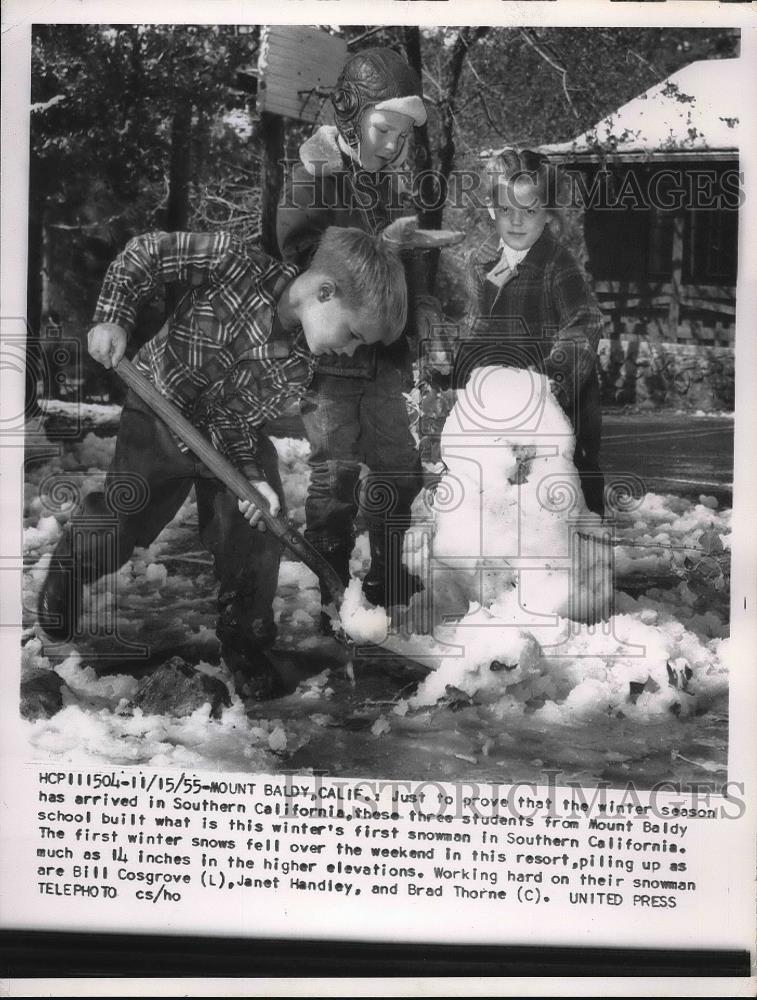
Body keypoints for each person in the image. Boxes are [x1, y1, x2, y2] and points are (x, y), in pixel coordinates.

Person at [37, 226, 408, 699]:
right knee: (124, 519)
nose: (352, 351)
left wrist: (251, 480)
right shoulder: (233, 262)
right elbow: (147, 252)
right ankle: (72, 565)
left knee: (256, 529)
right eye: (354, 334)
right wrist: (113, 318)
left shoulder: (300, 362)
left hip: (227, 432)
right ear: (324, 292)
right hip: (158, 408)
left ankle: (246, 643)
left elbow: (232, 418)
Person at [276, 47, 442, 629]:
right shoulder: (311, 176)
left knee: (398, 464)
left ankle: (389, 572)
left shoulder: (389, 186)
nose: (392, 145)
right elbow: (299, 260)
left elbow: (408, 272)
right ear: (350, 113)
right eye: (383, 129)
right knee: (336, 474)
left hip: (388, 357)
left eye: (400, 135)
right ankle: (330, 584)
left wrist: (419, 305)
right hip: (335, 362)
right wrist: (375, 254)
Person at [457, 148, 605, 516]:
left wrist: (550, 380)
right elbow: (477, 325)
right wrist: (458, 370)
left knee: (569, 477)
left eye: (530, 211)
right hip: (506, 399)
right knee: (503, 482)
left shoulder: (556, 262)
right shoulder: (481, 261)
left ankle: (586, 552)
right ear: (492, 210)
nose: (517, 222)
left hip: (562, 396)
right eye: (506, 211)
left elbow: (585, 322)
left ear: (548, 212)